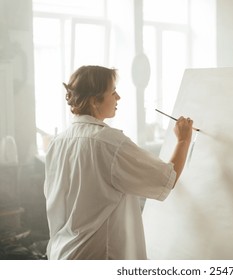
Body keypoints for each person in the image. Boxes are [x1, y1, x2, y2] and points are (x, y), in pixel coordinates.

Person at [43, 65, 193, 259]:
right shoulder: (109, 142)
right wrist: (183, 140)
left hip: (62, 254)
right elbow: (166, 179)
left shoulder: (57, 142)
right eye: (113, 92)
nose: (118, 98)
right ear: (94, 101)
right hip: (97, 256)